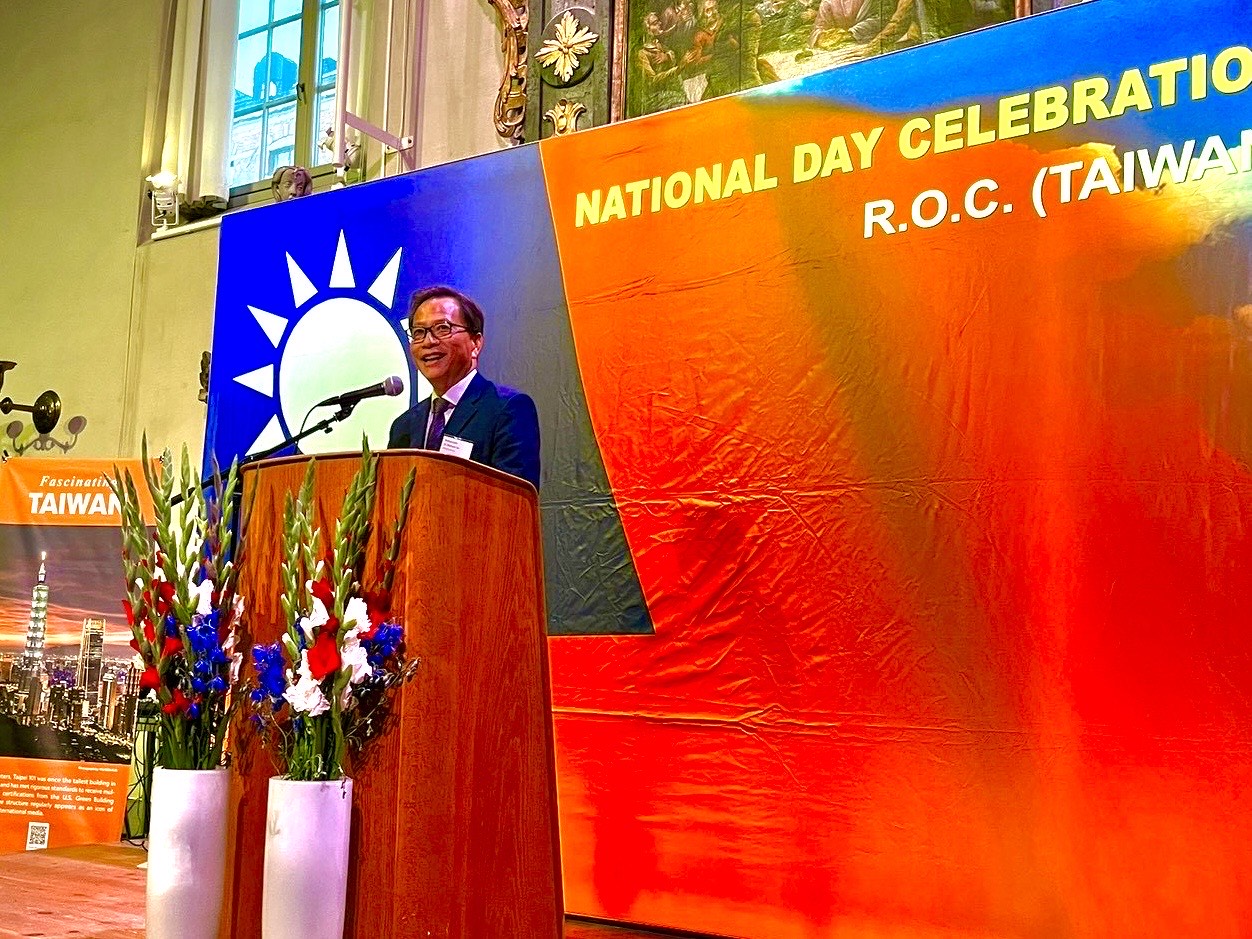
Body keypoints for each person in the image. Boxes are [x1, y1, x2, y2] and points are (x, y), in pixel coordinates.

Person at [387, 286, 541, 489]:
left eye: (442, 328)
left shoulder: (507, 409)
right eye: (419, 332)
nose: (428, 341)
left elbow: (514, 499)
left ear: (475, 343)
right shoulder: (403, 426)